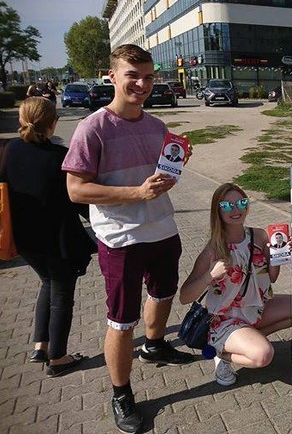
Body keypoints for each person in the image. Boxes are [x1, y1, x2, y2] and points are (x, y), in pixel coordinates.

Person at [62, 44, 193, 434]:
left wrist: (176, 163)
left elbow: (158, 179)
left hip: (162, 228)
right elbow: (76, 190)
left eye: (149, 77)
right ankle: (121, 393)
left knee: (164, 293)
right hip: (120, 237)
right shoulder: (92, 128)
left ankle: (155, 345)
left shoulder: (157, 127)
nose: (142, 84)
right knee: (121, 321)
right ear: (112, 76)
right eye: (133, 75)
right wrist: (136, 193)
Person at [2, 97, 96, 377]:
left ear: (21, 119)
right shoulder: (61, 157)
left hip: (25, 240)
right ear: (53, 123)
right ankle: (58, 358)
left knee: (47, 283)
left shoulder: (9, 149)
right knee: (61, 296)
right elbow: (79, 199)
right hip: (58, 241)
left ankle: (40, 346)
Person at [179, 183, 291, 386]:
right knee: (263, 355)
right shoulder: (213, 250)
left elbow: (272, 278)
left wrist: (279, 256)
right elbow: (184, 296)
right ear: (217, 210)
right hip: (226, 319)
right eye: (227, 206)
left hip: (258, 308)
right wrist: (209, 276)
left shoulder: (259, 236)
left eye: (241, 203)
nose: (236, 210)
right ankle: (220, 353)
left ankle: (246, 339)